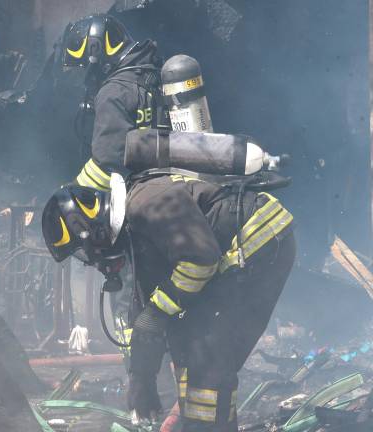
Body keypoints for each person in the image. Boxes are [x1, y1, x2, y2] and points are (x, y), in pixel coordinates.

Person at [41, 173, 295, 431]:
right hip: (232, 256)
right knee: (186, 341)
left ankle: (205, 426)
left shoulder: (147, 203)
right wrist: (142, 377)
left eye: (82, 252)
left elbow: (200, 260)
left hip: (259, 239)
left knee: (207, 353)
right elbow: (143, 315)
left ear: (94, 232)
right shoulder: (133, 236)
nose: (90, 262)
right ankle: (198, 422)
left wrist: (156, 314)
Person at [62, 14, 166, 190]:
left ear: (95, 55)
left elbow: (107, 166)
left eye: (83, 70)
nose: (85, 80)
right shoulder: (152, 73)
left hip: (145, 192)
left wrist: (74, 190)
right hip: (174, 184)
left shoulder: (113, 93)